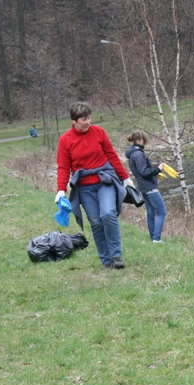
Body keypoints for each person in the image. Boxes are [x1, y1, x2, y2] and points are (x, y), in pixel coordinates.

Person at [55, 101, 134, 269]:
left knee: (108, 214)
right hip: (84, 187)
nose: (88, 122)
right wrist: (61, 190)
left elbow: (112, 156)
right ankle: (106, 261)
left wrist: (125, 178)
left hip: (104, 181)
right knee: (96, 222)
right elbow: (63, 167)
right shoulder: (65, 140)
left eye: (89, 118)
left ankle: (117, 255)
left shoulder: (99, 132)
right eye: (83, 119)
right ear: (74, 121)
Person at [125, 130, 167, 243]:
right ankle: (157, 239)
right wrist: (158, 169)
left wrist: (155, 173)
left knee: (151, 214)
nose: (146, 142)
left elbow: (142, 171)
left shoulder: (133, 154)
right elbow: (144, 171)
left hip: (143, 188)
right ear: (139, 140)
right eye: (144, 140)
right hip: (150, 188)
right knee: (162, 212)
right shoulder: (138, 154)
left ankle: (153, 238)